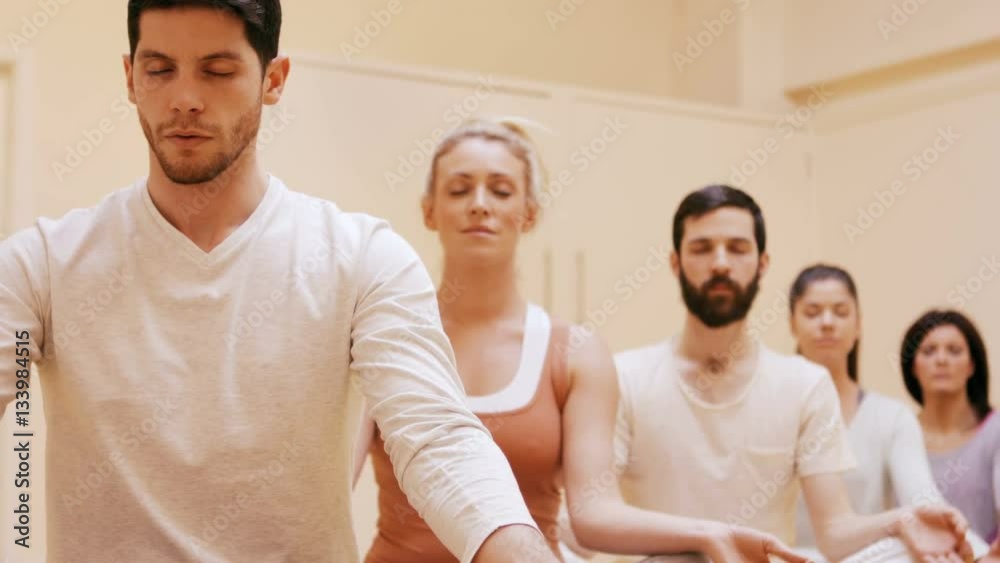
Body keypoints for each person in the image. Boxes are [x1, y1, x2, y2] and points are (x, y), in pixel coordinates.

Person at [0, 2, 561, 562]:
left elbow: (437, 437)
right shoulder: (43, 264)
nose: (185, 98)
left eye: (217, 71)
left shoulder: (361, 258)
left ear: (274, 80)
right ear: (129, 78)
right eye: (159, 69)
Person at [353, 120, 810, 563]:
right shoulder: (386, 336)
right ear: (429, 211)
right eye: (458, 190)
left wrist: (708, 532)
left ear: (529, 213)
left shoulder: (574, 353)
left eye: (501, 190)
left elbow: (594, 514)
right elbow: (333, 489)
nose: (479, 204)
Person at [613, 185, 973, 562]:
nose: (720, 264)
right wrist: (702, 538)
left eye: (737, 248)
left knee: (903, 551)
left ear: (762, 264)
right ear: (675, 263)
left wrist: (903, 522)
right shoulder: (624, 377)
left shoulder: (805, 385)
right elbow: (588, 518)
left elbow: (834, 531)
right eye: (702, 248)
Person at [788, 265, 991, 560]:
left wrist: (981, 553)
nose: (828, 322)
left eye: (841, 312)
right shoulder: (773, 406)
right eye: (812, 312)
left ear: (858, 325)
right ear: (792, 323)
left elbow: (922, 499)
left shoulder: (892, 416)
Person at [901, 310, 1000, 545]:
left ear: (972, 365)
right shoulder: (897, 433)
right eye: (929, 351)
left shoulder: (995, 431)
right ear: (913, 367)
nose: (941, 360)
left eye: (954, 351)